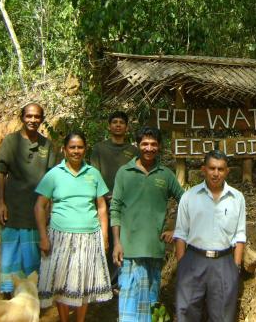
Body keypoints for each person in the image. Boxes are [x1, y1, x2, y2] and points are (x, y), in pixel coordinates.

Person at [34, 131, 112, 322]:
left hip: (89, 237)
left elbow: (101, 206)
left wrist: (104, 237)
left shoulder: (93, 174)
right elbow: (39, 206)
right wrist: (44, 236)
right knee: (61, 282)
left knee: (83, 281)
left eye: (80, 147)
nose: (76, 151)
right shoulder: (53, 175)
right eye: (72, 147)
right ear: (64, 149)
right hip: (60, 237)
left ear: (85, 149)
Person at [110, 126, 185, 322]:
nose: (149, 148)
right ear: (137, 145)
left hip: (154, 249)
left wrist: (175, 229)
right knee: (128, 302)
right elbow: (115, 208)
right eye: (145, 144)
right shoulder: (124, 172)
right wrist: (117, 243)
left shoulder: (165, 175)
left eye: (153, 144)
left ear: (159, 147)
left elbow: (186, 201)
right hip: (129, 250)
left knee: (150, 303)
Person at [174, 150, 246, 322]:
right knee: (187, 313)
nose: (216, 173)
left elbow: (240, 235)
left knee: (222, 316)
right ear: (203, 170)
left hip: (224, 262)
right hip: (193, 260)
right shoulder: (189, 197)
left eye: (220, 169)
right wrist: (182, 264)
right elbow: (181, 233)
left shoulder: (237, 198)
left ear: (227, 171)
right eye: (212, 168)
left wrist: (235, 267)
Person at [0, 102, 55, 298]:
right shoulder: (11, 142)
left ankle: (29, 297)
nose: (32, 120)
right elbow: (1, 174)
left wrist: (49, 209)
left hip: (36, 211)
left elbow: (52, 179)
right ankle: (8, 295)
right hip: (12, 208)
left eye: (37, 116)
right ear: (22, 117)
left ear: (42, 119)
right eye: (29, 116)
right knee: (10, 255)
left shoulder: (47, 145)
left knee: (32, 257)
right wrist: (1, 204)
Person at [90, 111, 139, 287]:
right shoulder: (99, 149)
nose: (118, 125)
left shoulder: (133, 151)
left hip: (128, 205)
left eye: (121, 122)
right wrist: (101, 197)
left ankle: (121, 281)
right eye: (115, 122)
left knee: (124, 240)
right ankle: (104, 281)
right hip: (104, 203)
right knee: (106, 240)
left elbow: (137, 177)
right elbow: (93, 175)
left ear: (127, 127)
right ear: (109, 126)